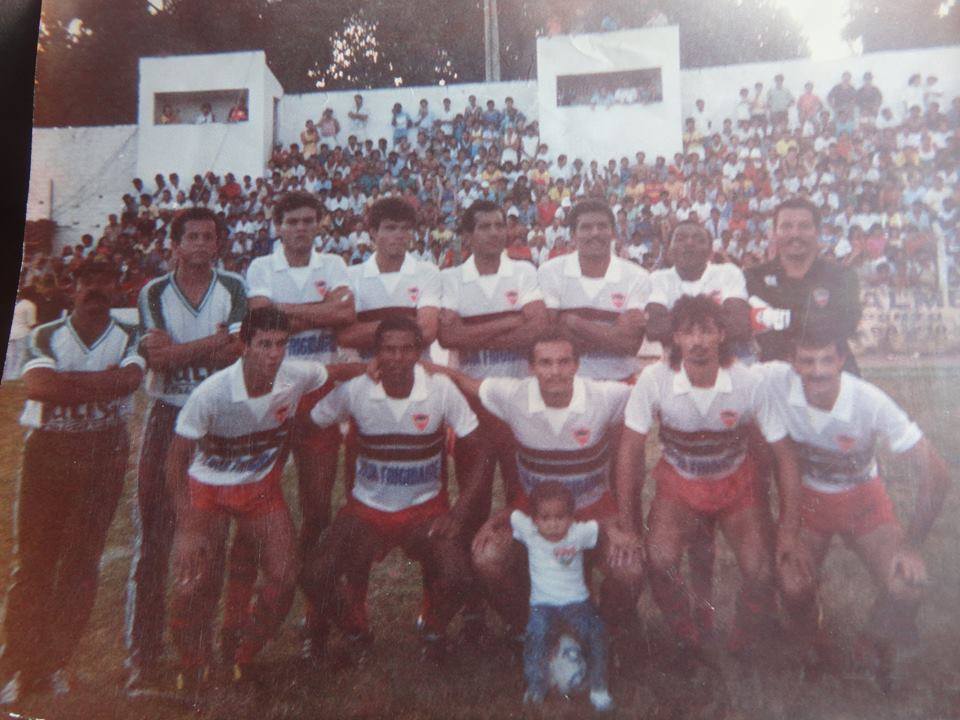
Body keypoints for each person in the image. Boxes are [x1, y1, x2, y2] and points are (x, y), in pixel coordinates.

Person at [162, 307, 365, 694]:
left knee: (285, 575)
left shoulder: (295, 375)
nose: (274, 353)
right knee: (193, 583)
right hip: (209, 490)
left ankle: (243, 654)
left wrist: (373, 370)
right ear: (244, 346)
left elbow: (336, 373)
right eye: (264, 345)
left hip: (258, 490)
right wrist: (187, 526)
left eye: (281, 344)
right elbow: (176, 459)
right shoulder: (213, 392)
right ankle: (191, 663)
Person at [434, 330, 645, 669]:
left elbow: (655, 393)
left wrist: (621, 522)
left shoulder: (606, 396)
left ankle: (601, 630)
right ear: (530, 367)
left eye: (564, 362)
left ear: (577, 365)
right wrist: (415, 364)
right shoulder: (512, 395)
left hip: (594, 510)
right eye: (545, 363)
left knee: (630, 568)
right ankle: (526, 629)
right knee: (487, 558)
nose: (555, 371)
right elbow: (461, 379)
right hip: (531, 512)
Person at [613, 295, 803, 668]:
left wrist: (789, 529)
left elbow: (785, 456)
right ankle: (689, 635)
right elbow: (629, 452)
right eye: (688, 331)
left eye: (706, 330)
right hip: (680, 482)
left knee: (760, 568)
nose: (697, 341)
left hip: (734, 481)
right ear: (676, 338)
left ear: (721, 334)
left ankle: (742, 641)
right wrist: (628, 524)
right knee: (661, 558)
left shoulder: (747, 381)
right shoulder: (655, 378)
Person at [766, 326, 951, 692]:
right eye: (807, 360)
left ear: (841, 359)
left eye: (826, 360)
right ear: (792, 361)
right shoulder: (776, 385)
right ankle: (815, 644)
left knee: (907, 584)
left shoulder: (868, 399)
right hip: (811, 501)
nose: (817, 370)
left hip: (862, 499)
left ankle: (874, 639)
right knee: (791, 584)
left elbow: (938, 473)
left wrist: (911, 546)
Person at [300, 316, 486, 661]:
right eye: (388, 350)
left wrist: (459, 513)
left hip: (425, 511)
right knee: (314, 572)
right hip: (366, 511)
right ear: (376, 354)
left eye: (406, 350)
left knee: (460, 575)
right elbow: (310, 423)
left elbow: (480, 447)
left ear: (419, 353)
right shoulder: (357, 389)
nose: (397, 358)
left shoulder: (440, 389)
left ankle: (433, 629)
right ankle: (356, 632)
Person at [0, 259, 144, 705]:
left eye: (104, 281)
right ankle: (16, 664)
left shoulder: (128, 336)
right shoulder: (45, 334)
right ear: (72, 288)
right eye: (87, 282)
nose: (95, 289)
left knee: (81, 564)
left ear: (116, 288)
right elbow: (41, 388)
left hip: (104, 453)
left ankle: (55, 664)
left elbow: (130, 380)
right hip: (48, 451)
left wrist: (71, 382)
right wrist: (103, 384)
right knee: (34, 563)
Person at [125, 207, 247, 694]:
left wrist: (182, 351)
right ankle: (144, 656)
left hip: (217, 422)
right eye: (190, 236)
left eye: (208, 236)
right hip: (168, 415)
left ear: (218, 244)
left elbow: (237, 349)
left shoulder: (233, 286)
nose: (200, 243)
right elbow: (157, 358)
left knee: (210, 537)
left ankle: (198, 648)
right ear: (173, 245)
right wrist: (208, 346)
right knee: (154, 539)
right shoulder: (154, 292)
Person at [235, 191, 356, 660]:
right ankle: (239, 619)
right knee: (250, 505)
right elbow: (262, 320)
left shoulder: (335, 263)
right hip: (271, 394)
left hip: (320, 394)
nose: (301, 228)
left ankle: (315, 617)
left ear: (319, 224)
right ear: (278, 226)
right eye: (292, 221)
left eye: (309, 220)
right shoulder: (263, 267)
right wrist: (317, 312)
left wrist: (287, 316)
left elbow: (344, 315)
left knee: (317, 512)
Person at [438, 200, 549, 641]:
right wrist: (508, 321)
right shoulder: (450, 278)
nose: (493, 233)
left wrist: (475, 329)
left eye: (500, 225)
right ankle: (473, 606)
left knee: (524, 501)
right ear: (467, 235)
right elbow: (448, 336)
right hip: (472, 405)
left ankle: (526, 594)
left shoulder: (523, 272)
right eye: (483, 226)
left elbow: (536, 330)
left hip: (519, 403)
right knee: (475, 502)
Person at [511, 482, 616, 711]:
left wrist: (619, 531)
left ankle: (599, 687)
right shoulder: (530, 533)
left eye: (560, 517)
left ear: (571, 517)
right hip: (543, 605)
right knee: (536, 636)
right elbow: (514, 516)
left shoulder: (578, 533)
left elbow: (600, 525)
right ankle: (536, 685)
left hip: (577, 602)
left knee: (596, 633)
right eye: (545, 518)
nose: (553, 524)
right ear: (535, 519)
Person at [746, 197, 862, 374]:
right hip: (775, 376)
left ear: (817, 231)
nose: (795, 234)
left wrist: (777, 318)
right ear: (774, 232)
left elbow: (844, 324)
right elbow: (757, 333)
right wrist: (811, 318)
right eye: (786, 226)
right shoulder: (753, 277)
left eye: (804, 226)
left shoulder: (842, 276)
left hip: (831, 376)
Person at [537, 199, 650, 381]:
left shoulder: (637, 276)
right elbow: (550, 335)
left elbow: (630, 345)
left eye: (602, 226)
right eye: (586, 227)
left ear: (613, 233)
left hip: (619, 385)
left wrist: (573, 323)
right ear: (573, 234)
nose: (595, 233)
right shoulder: (550, 271)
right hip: (566, 387)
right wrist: (613, 333)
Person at [337, 198, 441, 358]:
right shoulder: (351, 276)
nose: (399, 235)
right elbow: (346, 336)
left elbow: (426, 332)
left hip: (415, 376)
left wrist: (366, 328)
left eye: (405, 228)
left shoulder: (428, 272)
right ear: (373, 232)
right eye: (390, 228)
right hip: (367, 376)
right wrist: (409, 323)